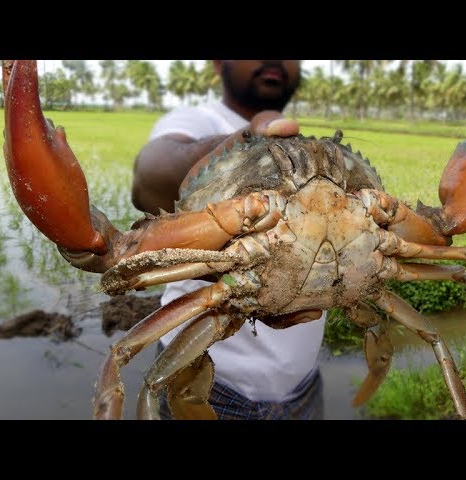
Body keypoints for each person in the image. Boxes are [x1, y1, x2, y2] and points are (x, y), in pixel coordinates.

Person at [131, 60, 326, 420]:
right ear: (218, 64)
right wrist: (242, 146)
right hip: (210, 390)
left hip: (304, 388)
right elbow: (150, 179)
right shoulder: (194, 122)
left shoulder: (308, 147)